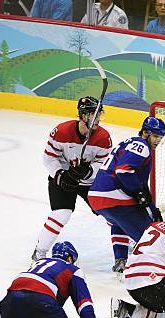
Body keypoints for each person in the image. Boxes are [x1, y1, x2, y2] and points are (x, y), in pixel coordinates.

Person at [31, 96, 112, 262]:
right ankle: (39, 252)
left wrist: (88, 172)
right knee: (61, 214)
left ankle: (127, 246)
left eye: (99, 115)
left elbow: (103, 164)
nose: (97, 119)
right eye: (93, 115)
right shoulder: (61, 131)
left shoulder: (103, 137)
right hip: (63, 178)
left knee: (110, 212)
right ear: (83, 115)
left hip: (89, 183)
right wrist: (60, 175)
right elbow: (49, 158)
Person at [88, 117, 165, 277]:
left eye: (161, 137)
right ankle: (155, 273)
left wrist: (152, 207)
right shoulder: (141, 145)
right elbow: (124, 171)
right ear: (145, 133)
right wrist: (139, 194)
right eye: (156, 136)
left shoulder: (129, 143)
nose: (158, 140)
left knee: (118, 222)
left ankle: (121, 260)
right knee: (151, 238)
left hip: (96, 197)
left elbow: (140, 184)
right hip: (113, 195)